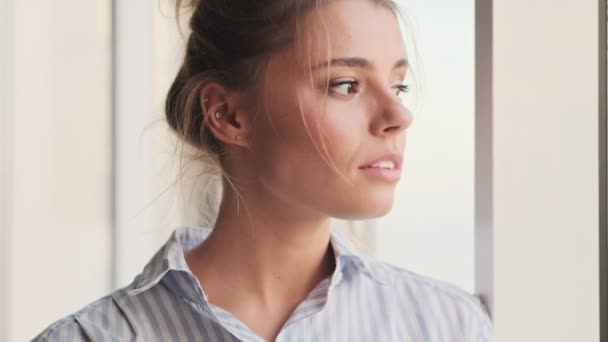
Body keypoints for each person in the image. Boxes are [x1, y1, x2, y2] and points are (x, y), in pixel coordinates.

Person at [34, 0, 494, 340]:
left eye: (399, 84)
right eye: (346, 85)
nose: (398, 115)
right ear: (229, 115)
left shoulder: (447, 326)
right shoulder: (91, 337)